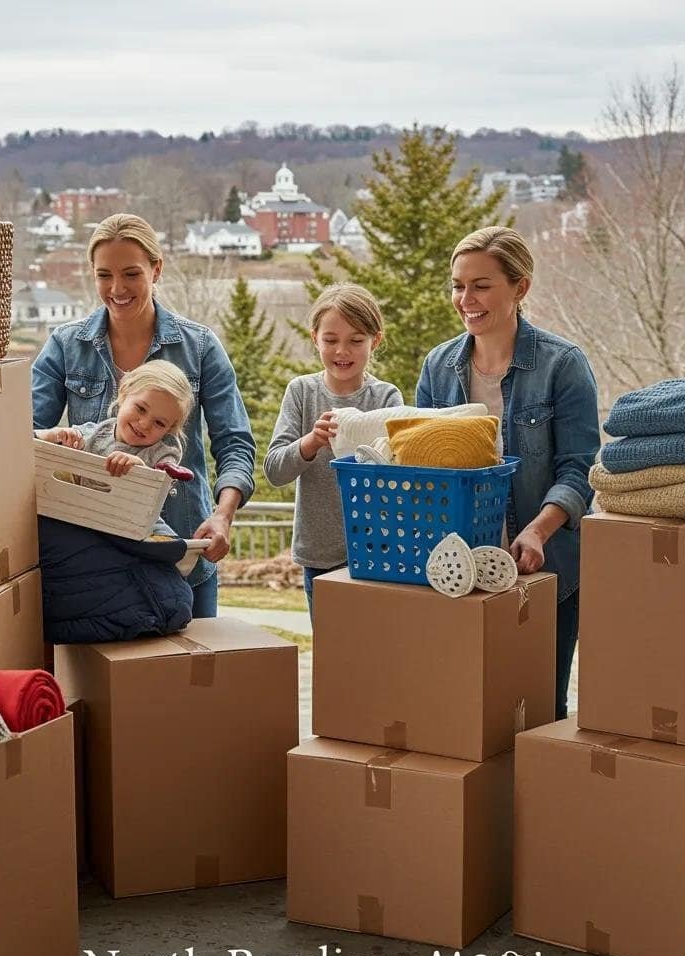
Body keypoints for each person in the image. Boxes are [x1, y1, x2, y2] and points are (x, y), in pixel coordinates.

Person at [31, 213, 255, 618]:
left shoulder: (200, 347)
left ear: (157, 269)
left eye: (131, 273)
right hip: (91, 558)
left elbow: (234, 442)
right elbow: (21, 435)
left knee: (191, 675)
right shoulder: (65, 345)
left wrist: (223, 516)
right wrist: (53, 438)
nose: (117, 288)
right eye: (105, 275)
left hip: (183, 551)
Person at [416, 226, 600, 719]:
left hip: (544, 571)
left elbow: (580, 468)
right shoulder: (438, 367)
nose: (465, 299)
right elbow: (419, 463)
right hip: (458, 570)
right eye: (457, 285)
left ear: (520, 288)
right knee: (463, 709)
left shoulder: (563, 365)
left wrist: (537, 531)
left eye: (481, 285)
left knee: (539, 706)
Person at [264, 283, 403, 619]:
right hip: (319, 555)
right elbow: (274, 470)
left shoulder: (386, 398)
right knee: (332, 653)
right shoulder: (300, 392)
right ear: (315, 339)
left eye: (356, 340)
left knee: (378, 650)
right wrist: (310, 443)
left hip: (378, 550)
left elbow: (399, 475)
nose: (343, 351)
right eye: (331, 340)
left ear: (376, 341)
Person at [35, 360, 194, 482]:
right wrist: (57, 436)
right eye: (141, 408)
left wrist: (139, 468)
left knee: (161, 527)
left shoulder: (161, 453)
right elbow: (33, 439)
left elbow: (163, 479)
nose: (145, 424)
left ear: (170, 429)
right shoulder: (95, 433)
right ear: (124, 394)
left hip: (135, 519)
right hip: (81, 513)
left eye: (159, 423)